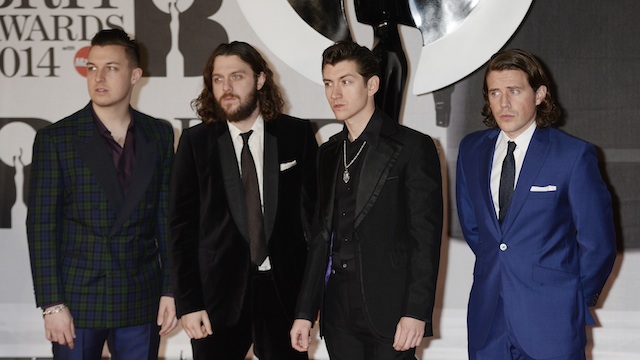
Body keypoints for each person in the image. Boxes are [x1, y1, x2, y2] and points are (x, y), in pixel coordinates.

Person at [455, 48, 617, 360]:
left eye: (514, 91)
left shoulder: (573, 155)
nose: (504, 103)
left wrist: (569, 301)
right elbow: (477, 231)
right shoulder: (471, 150)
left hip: (553, 323)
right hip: (488, 320)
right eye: (495, 92)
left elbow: (598, 244)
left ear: (539, 94)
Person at [26, 28, 177, 359]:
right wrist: (52, 304)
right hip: (78, 299)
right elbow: (41, 227)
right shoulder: (56, 139)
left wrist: (171, 289)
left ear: (135, 75)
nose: (98, 77)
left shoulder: (160, 134)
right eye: (92, 68)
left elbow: (166, 219)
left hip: (140, 296)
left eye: (111, 67)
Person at [290, 41, 443, 359]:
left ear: (372, 84)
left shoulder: (412, 147)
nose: (335, 94)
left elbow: (424, 238)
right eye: (328, 83)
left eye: (346, 82)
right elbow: (320, 238)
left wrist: (416, 311)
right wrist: (305, 311)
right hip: (337, 313)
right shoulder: (328, 153)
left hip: (391, 309)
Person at [168, 41, 317, 360]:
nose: (226, 87)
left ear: (260, 79)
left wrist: (308, 304)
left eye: (237, 76)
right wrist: (189, 304)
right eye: (218, 79)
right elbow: (180, 230)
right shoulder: (196, 143)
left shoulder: (296, 135)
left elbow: (315, 227)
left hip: (283, 295)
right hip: (214, 299)